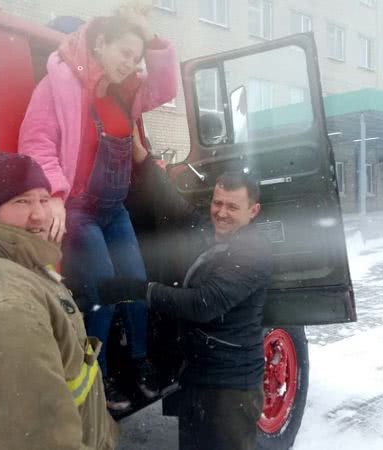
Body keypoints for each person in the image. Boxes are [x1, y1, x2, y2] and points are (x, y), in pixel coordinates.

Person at [18, 3, 177, 411]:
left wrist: (152, 39)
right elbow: (36, 144)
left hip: (114, 209)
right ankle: (98, 374)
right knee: (103, 288)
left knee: (137, 284)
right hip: (80, 209)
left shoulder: (127, 92)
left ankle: (139, 364)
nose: (131, 63)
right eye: (125, 52)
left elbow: (165, 88)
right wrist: (54, 195)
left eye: (137, 57)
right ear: (101, 42)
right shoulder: (59, 84)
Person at [0, 153, 119, 450]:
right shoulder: (5, 306)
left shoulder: (0, 258)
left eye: (43, 199)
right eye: (21, 201)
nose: (40, 214)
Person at [97, 137, 272, 450]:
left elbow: (203, 303)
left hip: (231, 388)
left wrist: (140, 290)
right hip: (196, 374)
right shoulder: (210, 231)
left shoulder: (253, 253)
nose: (222, 212)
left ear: (253, 211)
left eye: (233, 206)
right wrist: (143, 160)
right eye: (218, 203)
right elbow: (173, 207)